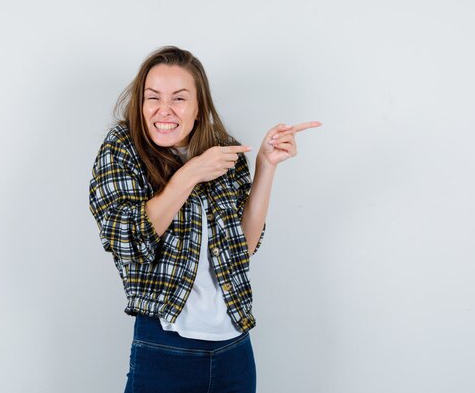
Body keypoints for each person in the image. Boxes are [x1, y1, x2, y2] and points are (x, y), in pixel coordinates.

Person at [88, 46, 321, 393]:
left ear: (198, 108)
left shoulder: (223, 152)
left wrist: (266, 165)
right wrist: (190, 173)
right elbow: (127, 239)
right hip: (165, 343)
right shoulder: (123, 148)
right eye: (153, 97)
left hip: (234, 347)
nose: (164, 110)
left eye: (179, 99)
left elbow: (244, 247)